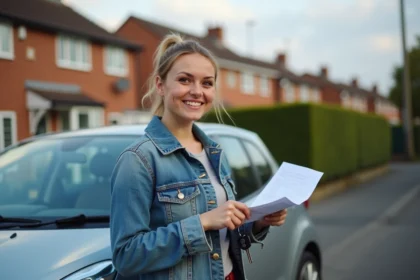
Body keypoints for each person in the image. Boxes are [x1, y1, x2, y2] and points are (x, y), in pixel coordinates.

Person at [110, 33, 288, 280]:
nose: (196, 91)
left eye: (207, 83)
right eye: (184, 80)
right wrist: (202, 222)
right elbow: (126, 255)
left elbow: (223, 237)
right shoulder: (139, 160)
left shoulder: (215, 153)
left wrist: (259, 223)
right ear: (160, 85)